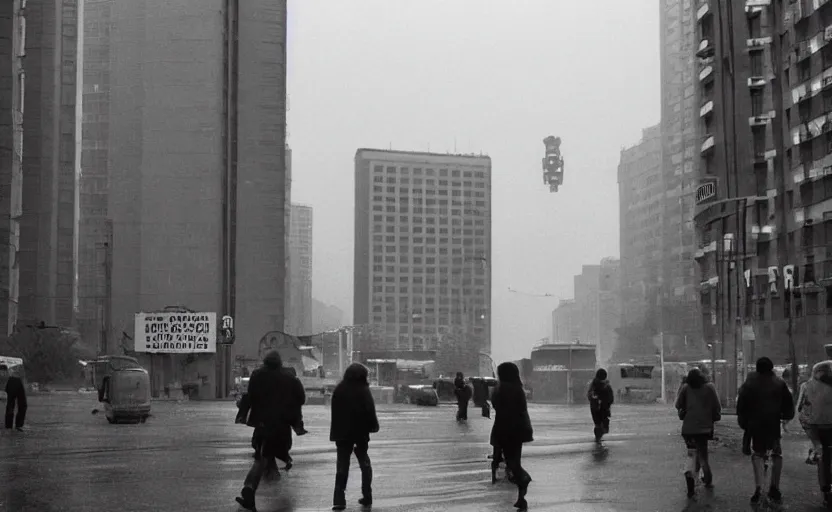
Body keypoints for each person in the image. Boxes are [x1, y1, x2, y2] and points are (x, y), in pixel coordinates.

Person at [234, 351, 306, 511]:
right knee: (266, 456)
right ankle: (250, 488)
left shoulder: (257, 375)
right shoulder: (289, 377)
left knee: (261, 457)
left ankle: (250, 488)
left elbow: (251, 396)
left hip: (261, 423)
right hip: (280, 423)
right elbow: (301, 398)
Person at [737, 357, 795, 505]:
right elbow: (788, 404)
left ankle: (759, 487)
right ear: (771, 368)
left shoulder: (749, 383)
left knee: (758, 454)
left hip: (755, 426)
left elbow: (741, 405)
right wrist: (785, 416)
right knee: (776, 454)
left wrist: (744, 423)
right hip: (773, 425)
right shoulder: (779, 383)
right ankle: (774, 487)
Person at [330, 363, 379, 511]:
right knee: (364, 463)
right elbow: (370, 410)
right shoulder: (363, 390)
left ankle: (339, 499)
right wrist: (373, 426)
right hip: (360, 433)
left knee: (342, 465)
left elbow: (335, 413)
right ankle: (367, 494)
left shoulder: (339, 389)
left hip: (342, 434)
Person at [490, 362, 533, 511]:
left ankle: (524, 480)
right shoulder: (518, 388)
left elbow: (496, 405)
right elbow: (522, 408)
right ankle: (521, 498)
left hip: (505, 429)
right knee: (516, 461)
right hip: (518, 430)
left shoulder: (501, 389)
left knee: (512, 463)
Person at [675, 368, 721, 498]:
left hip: (688, 429)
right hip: (704, 428)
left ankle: (691, 482)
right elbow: (717, 406)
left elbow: (677, 405)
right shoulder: (710, 387)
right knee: (702, 455)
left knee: (692, 454)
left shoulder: (685, 388)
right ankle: (707, 479)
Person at [803, 360, 832, 508]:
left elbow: (802, 411)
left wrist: (810, 432)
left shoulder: (808, 386)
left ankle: (826, 491)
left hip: (819, 428)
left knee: (823, 456)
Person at [796, 377, 822, 465]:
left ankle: (815, 452)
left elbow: (799, 404)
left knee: (815, 437)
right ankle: (815, 452)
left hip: (808, 417)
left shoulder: (805, 385)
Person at [587, 368, 614, 443]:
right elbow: (611, 398)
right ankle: (598, 438)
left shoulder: (593, 385)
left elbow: (589, 395)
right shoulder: (606, 386)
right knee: (601, 424)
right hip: (601, 407)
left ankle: (598, 438)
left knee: (598, 424)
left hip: (596, 407)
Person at [1, 364, 26, 431]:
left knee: (21, 404)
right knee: (11, 405)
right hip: (12, 379)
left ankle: (17, 425)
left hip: (16, 379)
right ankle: (10, 426)